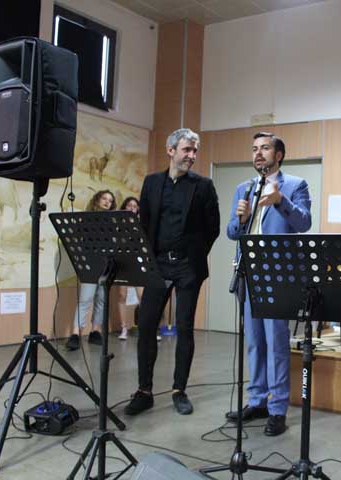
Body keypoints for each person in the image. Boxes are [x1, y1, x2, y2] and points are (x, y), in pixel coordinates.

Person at [124, 128, 220, 416]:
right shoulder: (152, 182)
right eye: (186, 149)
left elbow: (213, 228)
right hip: (158, 265)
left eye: (194, 151)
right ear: (171, 150)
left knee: (185, 327)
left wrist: (194, 257)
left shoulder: (203, 186)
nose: (191, 155)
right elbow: (144, 223)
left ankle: (179, 390)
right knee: (146, 326)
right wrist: (147, 259)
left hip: (188, 267)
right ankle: (144, 391)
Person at [225, 132, 311, 436]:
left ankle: (277, 409)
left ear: (279, 155)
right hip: (248, 274)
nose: (258, 153)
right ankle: (257, 400)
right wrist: (241, 219)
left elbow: (304, 223)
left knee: (276, 343)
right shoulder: (244, 188)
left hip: (278, 276)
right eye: (254, 149)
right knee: (254, 341)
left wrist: (280, 201)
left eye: (264, 148)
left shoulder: (295, 185)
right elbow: (232, 232)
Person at [66, 190, 117, 350]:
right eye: (104, 198)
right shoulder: (86, 218)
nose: (107, 202)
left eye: (110, 200)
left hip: (106, 265)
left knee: (101, 299)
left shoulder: (113, 222)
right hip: (90, 264)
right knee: (85, 299)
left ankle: (95, 331)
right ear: (97, 199)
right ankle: (75, 334)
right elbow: (77, 239)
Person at [117, 196, 142, 340]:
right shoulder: (119, 223)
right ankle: (124, 328)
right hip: (123, 261)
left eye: (135, 206)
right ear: (124, 207)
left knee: (142, 296)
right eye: (129, 205)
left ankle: (147, 329)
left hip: (138, 261)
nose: (132, 208)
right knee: (122, 295)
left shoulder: (141, 223)